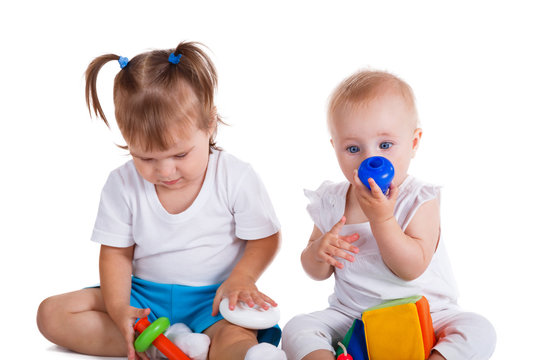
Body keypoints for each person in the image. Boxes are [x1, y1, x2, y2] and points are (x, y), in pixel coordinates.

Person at [37, 41, 286, 360]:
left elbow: (264, 238)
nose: (166, 171)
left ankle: (225, 350)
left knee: (234, 336)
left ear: (209, 124)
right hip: (143, 300)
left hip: (214, 300)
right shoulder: (122, 184)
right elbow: (116, 256)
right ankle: (166, 345)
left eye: (180, 154)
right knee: (51, 314)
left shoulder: (234, 176)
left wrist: (243, 277)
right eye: (145, 157)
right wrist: (120, 310)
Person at [282, 70, 496, 360]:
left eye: (385, 145)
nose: (371, 159)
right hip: (354, 315)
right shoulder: (331, 201)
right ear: (336, 148)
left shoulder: (419, 199)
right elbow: (315, 271)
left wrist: (382, 218)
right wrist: (319, 253)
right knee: (298, 327)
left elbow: (411, 267)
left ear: (414, 142)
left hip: (426, 312)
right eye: (353, 148)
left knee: (478, 329)